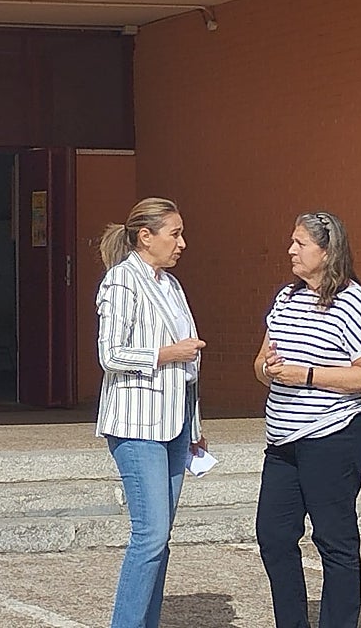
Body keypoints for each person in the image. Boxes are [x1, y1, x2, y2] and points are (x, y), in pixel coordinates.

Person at [252, 211, 361, 628]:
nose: (291, 250)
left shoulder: (352, 300)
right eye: (292, 242)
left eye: (301, 243)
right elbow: (261, 361)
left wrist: (308, 375)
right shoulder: (285, 298)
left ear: (327, 252)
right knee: (273, 536)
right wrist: (268, 369)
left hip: (333, 435)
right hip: (283, 437)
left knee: (334, 540)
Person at [95, 197, 206, 628]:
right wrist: (166, 353)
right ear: (146, 236)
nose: (182, 243)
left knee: (161, 539)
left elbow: (190, 364)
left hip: (176, 421)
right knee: (150, 534)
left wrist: (195, 424)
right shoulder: (121, 282)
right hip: (136, 422)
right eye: (174, 234)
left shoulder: (171, 286)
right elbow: (111, 353)